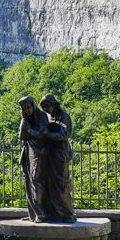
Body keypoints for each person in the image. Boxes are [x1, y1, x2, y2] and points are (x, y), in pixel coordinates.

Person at [40, 94, 76, 222]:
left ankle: (67, 214)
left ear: (54, 104)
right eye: (43, 106)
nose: (45, 108)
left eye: (47, 105)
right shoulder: (47, 116)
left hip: (60, 153)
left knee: (61, 184)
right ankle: (53, 212)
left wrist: (47, 134)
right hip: (49, 153)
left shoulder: (63, 116)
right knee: (49, 183)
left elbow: (65, 134)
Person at [18, 96, 51, 222]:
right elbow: (21, 136)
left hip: (40, 152)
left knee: (36, 181)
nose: (28, 110)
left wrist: (29, 130)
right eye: (25, 108)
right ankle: (33, 213)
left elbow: (42, 134)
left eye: (29, 107)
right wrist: (24, 126)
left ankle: (41, 213)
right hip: (28, 151)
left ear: (33, 105)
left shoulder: (41, 116)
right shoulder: (25, 119)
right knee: (29, 181)